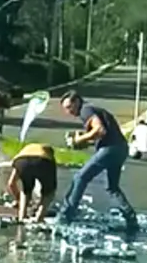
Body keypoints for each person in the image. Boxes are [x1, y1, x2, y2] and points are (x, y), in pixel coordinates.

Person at [57, 90, 139, 231]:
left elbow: (100, 130)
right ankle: (131, 219)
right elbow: (101, 135)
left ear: (77, 101)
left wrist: (79, 139)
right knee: (112, 188)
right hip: (121, 148)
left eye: (69, 107)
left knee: (80, 177)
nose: (68, 112)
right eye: (66, 109)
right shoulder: (92, 110)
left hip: (110, 149)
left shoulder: (85, 110)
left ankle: (66, 216)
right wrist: (83, 142)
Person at [6, 143, 58, 223]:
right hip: (43, 161)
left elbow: (11, 183)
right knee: (49, 192)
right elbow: (50, 187)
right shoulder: (49, 156)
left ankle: (21, 217)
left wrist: (18, 199)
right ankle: (39, 218)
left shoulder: (24, 152)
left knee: (26, 190)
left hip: (21, 162)